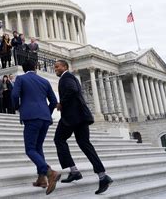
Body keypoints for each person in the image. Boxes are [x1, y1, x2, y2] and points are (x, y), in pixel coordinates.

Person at [53, 60, 113, 194]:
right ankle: (102, 176)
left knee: (59, 139)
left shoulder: (66, 77)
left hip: (72, 117)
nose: (55, 69)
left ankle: (74, 171)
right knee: (85, 144)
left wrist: (61, 103)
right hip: (81, 117)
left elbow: (72, 90)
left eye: (57, 67)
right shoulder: (71, 77)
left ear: (64, 67)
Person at [11, 60, 60, 194]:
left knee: (30, 149)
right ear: (35, 68)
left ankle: (49, 172)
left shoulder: (21, 78)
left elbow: (14, 95)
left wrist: (18, 107)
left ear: (23, 68)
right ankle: (41, 179)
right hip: (45, 118)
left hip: (31, 117)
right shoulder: (44, 81)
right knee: (38, 147)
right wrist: (46, 113)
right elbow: (54, 101)